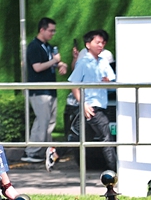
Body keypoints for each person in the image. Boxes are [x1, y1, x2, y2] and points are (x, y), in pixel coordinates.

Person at [67, 30, 117, 171]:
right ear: (88, 45)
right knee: (106, 138)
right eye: (97, 42)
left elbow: (112, 81)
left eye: (103, 42)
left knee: (82, 137)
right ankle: (116, 171)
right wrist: (83, 103)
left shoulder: (103, 62)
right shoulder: (83, 63)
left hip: (101, 105)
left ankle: (56, 151)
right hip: (91, 106)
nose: (101, 45)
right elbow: (74, 84)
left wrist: (108, 82)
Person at [24, 17, 68, 166]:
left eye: (54, 31)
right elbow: (37, 67)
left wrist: (61, 64)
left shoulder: (47, 47)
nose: (53, 33)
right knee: (42, 122)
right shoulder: (34, 46)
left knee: (49, 122)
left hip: (49, 89)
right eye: (50, 30)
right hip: (39, 91)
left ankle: (45, 152)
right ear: (42, 30)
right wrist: (55, 61)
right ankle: (31, 152)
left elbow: (50, 63)